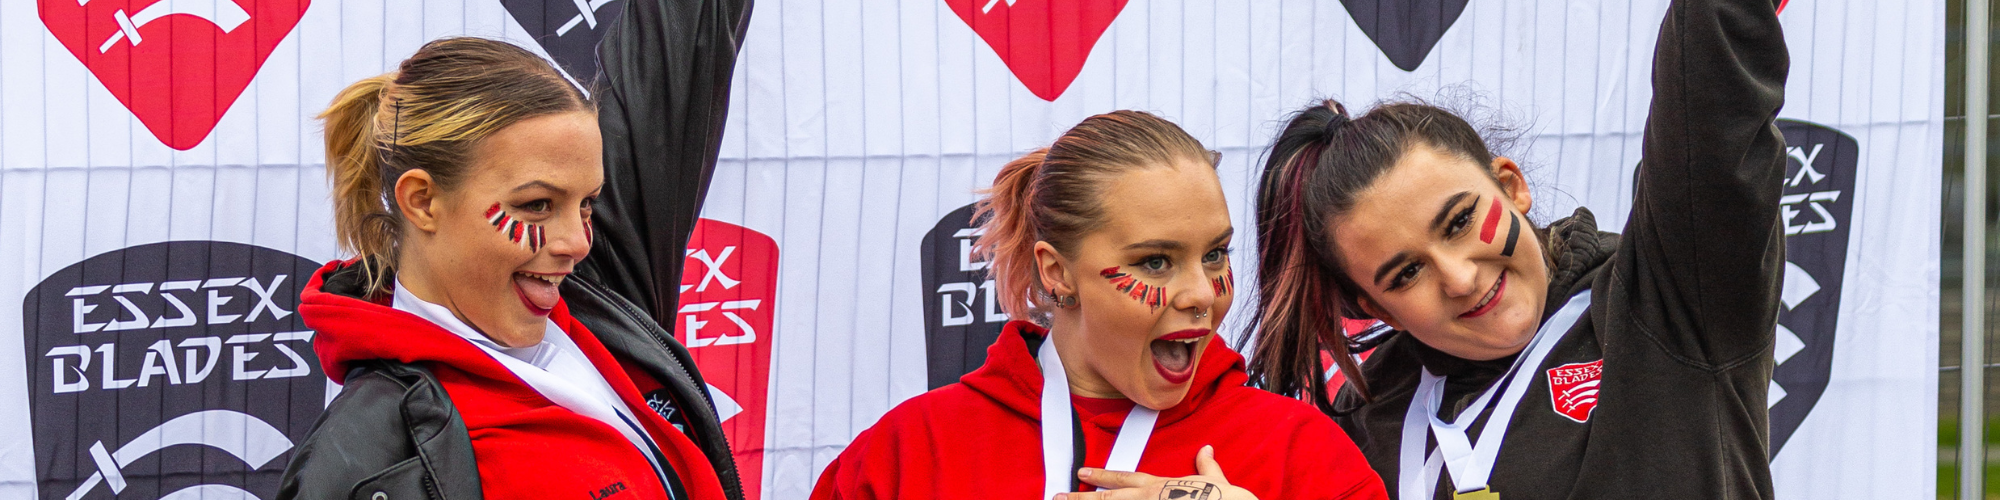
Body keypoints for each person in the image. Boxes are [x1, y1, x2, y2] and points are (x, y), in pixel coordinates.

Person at [1244, 0, 1788, 498]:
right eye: (1406, 273)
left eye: (1459, 221)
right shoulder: (1371, 420)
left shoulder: (1669, 303)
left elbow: (1712, 123)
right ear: (1377, 309)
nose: (1458, 278)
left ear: (1510, 186)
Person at [279, 0, 752, 497]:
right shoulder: (375, 459)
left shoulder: (597, 307)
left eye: (588, 202)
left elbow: (684, 32)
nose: (578, 243)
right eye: (538, 205)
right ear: (422, 202)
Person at [810, 111, 1388, 500]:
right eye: (1156, 262)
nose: (1202, 294)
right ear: (1057, 272)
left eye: (1215, 254)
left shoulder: (1300, 453)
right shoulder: (911, 453)